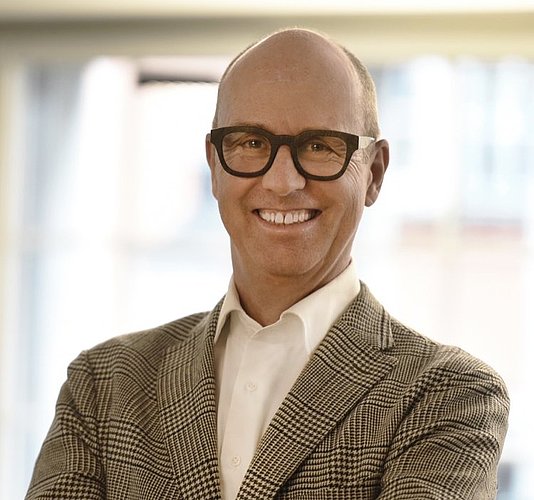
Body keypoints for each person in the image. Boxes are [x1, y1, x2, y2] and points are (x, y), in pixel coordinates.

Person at [26, 28, 509, 499]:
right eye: (251, 143)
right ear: (214, 166)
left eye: (319, 146)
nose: (282, 182)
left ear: (374, 174)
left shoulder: (451, 395)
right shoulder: (103, 384)